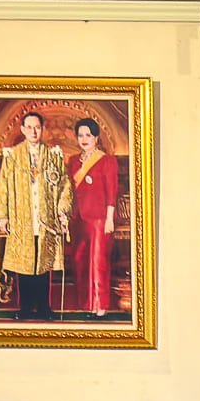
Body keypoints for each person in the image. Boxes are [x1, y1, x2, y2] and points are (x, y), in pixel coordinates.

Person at [0, 108, 68, 321]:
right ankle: (25, 308)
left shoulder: (53, 155)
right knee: (24, 266)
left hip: (46, 220)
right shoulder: (13, 155)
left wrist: (62, 210)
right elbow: (3, 186)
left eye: (37, 127)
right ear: (23, 129)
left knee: (43, 265)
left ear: (42, 129)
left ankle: (44, 308)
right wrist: (3, 215)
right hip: (21, 218)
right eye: (30, 127)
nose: (34, 132)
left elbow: (64, 185)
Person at [67, 117, 119, 317]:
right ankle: (87, 304)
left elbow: (112, 191)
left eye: (88, 135)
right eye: (80, 135)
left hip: (99, 220)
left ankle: (100, 306)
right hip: (78, 219)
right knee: (80, 261)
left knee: (98, 263)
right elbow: (70, 191)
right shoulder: (73, 161)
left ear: (96, 137)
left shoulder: (106, 161)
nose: (84, 139)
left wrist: (109, 218)